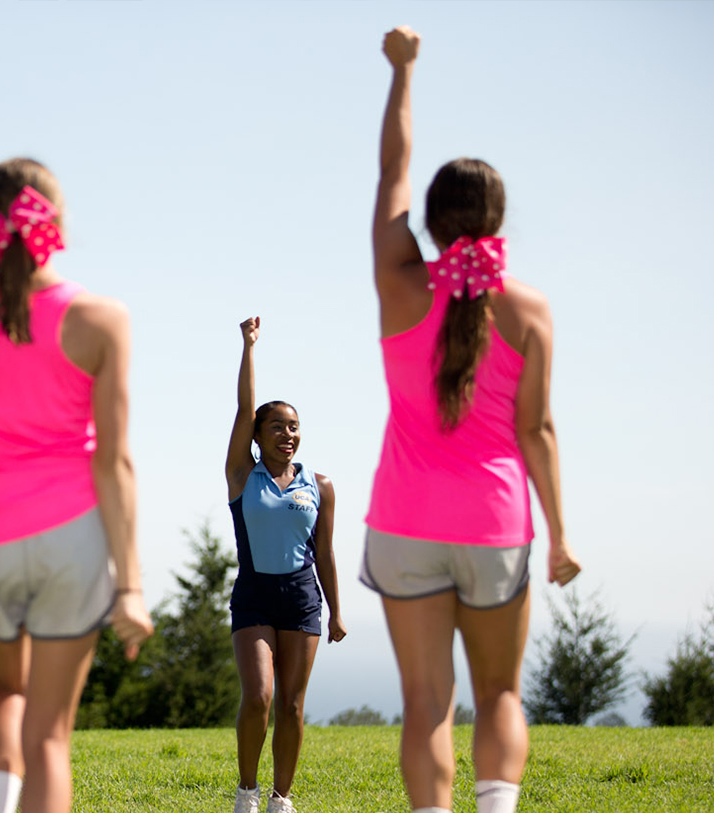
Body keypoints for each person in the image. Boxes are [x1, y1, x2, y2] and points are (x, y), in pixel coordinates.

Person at [0, 3, 155, 812]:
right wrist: (131, 584)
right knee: (51, 728)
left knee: (3, 697)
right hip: (72, 536)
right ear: (57, 223)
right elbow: (113, 459)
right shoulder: (101, 319)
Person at [364, 27, 582, 813]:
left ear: (429, 219)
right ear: (497, 220)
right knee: (500, 693)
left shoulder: (397, 281)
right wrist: (559, 533)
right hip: (495, 524)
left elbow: (390, 167)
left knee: (425, 699)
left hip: (404, 520)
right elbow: (539, 430)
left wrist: (403, 71)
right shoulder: (528, 309)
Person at [223, 317, 345, 813]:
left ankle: (281, 799)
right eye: (277, 426)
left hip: (302, 597)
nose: (287, 434)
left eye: (293, 426)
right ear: (258, 433)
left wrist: (336, 611)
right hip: (253, 595)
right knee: (259, 698)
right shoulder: (241, 474)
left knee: (293, 706)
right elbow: (243, 407)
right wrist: (249, 347)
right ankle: (247, 791)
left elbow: (325, 553)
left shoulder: (320, 484)